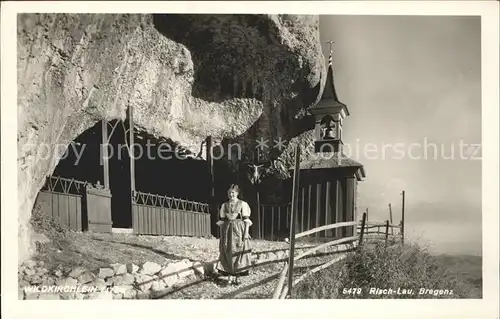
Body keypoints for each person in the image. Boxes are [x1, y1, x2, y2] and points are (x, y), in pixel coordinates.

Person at [216, 184, 253, 285]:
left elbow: (246, 220)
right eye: (229, 192)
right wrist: (222, 236)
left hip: (239, 230)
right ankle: (229, 276)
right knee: (228, 250)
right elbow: (222, 221)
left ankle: (238, 276)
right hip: (228, 230)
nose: (230, 194)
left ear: (237, 193)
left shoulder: (243, 204)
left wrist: (245, 234)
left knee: (239, 251)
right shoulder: (224, 205)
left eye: (233, 192)